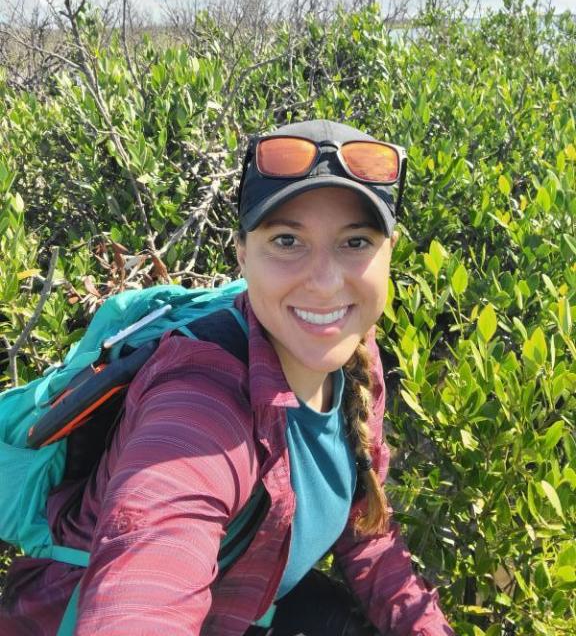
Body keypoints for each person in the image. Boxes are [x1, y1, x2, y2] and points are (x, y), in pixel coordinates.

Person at [0, 119, 454, 635]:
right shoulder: (200, 400)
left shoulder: (356, 358)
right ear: (242, 254)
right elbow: (148, 579)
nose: (327, 283)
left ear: (389, 253)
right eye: (287, 240)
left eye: (355, 242)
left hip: (249, 600)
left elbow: (366, 532)